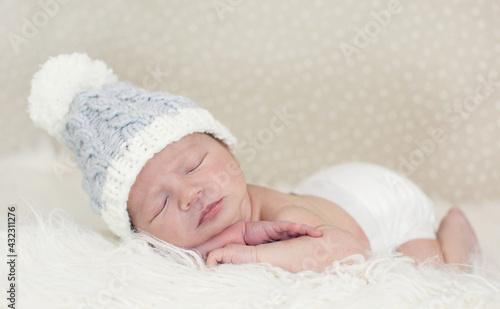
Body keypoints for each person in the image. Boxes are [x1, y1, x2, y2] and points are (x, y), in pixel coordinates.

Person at [28, 53, 480, 273]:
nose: (189, 195)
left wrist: (247, 257)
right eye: (160, 205)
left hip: (381, 200)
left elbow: (345, 250)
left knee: (434, 277)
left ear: (230, 150)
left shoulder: (280, 217)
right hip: (326, 190)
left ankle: (453, 223)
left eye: (195, 165)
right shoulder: (174, 252)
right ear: (142, 236)